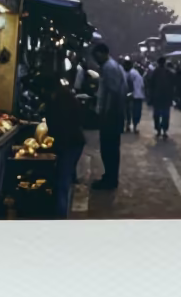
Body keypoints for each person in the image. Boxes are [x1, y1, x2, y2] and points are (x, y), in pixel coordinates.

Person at [45, 73, 85, 218]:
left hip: (68, 143)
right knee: (65, 177)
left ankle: (61, 217)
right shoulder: (69, 97)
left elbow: (54, 124)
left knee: (62, 183)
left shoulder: (56, 101)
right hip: (76, 142)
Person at [92, 43, 127, 189]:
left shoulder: (109, 68)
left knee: (108, 148)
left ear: (102, 53)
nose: (95, 59)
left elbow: (113, 94)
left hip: (111, 115)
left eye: (96, 55)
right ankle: (110, 176)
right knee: (111, 148)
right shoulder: (113, 66)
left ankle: (110, 179)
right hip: (114, 114)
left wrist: (106, 114)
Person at [152, 56, 175, 139]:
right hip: (166, 97)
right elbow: (173, 85)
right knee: (165, 115)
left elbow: (151, 84)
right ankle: (164, 130)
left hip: (157, 97)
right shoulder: (170, 72)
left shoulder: (154, 72)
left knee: (157, 115)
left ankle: (158, 130)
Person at [122, 57, 145, 133]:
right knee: (134, 112)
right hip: (137, 95)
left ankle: (129, 126)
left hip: (132, 95)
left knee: (128, 112)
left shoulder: (129, 73)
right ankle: (133, 126)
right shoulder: (134, 73)